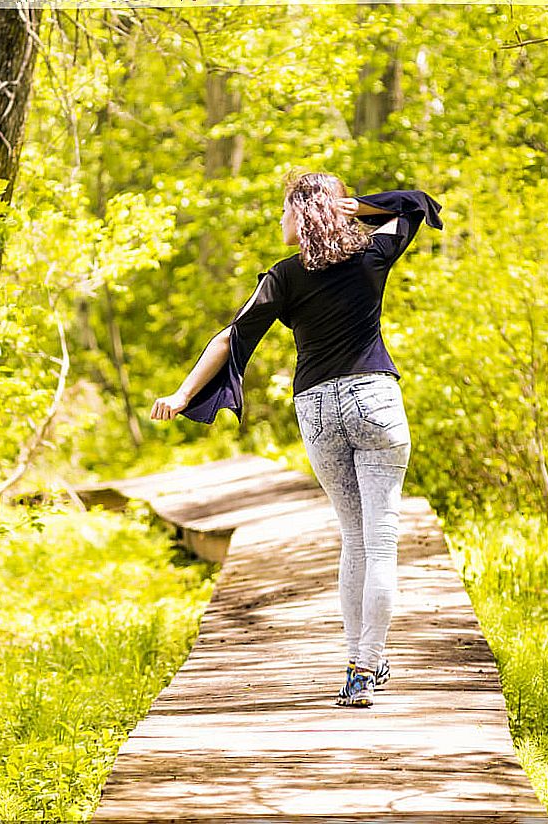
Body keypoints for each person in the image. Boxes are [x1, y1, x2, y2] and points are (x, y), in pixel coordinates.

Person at [149, 171, 444, 707]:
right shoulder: (372, 255)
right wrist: (348, 207)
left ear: (303, 217)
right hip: (375, 399)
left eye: (287, 210)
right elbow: (415, 205)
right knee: (379, 541)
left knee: (354, 537)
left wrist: (183, 393)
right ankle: (365, 667)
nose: (281, 219)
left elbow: (230, 338)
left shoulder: (285, 277)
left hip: (318, 410)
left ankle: (357, 664)